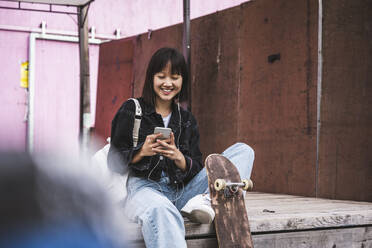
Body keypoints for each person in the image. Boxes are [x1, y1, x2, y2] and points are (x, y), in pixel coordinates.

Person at [108, 47, 255, 248]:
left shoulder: (186, 119)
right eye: (161, 77)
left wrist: (179, 158)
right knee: (162, 210)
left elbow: (196, 167)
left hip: (183, 192)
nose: (168, 83)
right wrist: (142, 151)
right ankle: (212, 200)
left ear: (182, 80)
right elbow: (113, 161)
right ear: (151, 78)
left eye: (175, 77)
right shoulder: (132, 109)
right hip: (144, 189)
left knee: (244, 150)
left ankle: (207, 200)